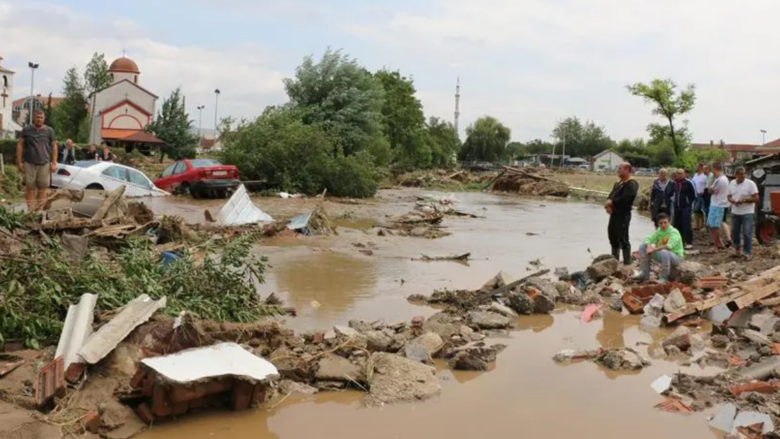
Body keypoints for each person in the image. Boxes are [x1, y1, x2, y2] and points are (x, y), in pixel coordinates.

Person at [16, 110, 57, 211]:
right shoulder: (26, 130)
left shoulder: (49, 130)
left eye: (41, 117)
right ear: (34, 118)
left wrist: (54, 162)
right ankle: (31, 212)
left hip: (44, 164)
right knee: (30, 188)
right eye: (37, 117)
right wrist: (19, 161)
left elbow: (54, 146)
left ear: (44, 119)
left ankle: (39, 212)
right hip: (29, 163)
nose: (39, 119)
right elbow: (20, 145)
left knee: (42, 189)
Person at [632, 213, 684, 284]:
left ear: (669, 222)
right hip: (664, 255)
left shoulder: (674, 232)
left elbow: (669, 246)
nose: (663, 225)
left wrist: (653, 249)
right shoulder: (659, 230)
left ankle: (664, 277)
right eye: (661, 223)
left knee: (664, 251)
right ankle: (644, 274)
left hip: (676, 257)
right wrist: (649, 246)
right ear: (658, 224)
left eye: (665, 222)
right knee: (642, 247)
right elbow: (648, 239)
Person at [605, 162, 639, 265]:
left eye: (620, 168)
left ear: (627, 170)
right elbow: (611, 195)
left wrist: (612, 202)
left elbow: (626, 199)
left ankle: (626, 262)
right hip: (614, 214)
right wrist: (608, 205)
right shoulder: (619, 183)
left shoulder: (631, 183)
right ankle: (614, 261)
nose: (618, 170)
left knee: (623, 238)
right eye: (618, 168)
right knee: (612, 236)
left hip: (623, 214)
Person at [728, 167, 759, 260]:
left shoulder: (750, 183)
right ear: (736, 175)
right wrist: (732, 201)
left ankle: (747, 253)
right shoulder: (732, 183)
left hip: (747, 212)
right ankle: (737, 251)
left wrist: (745, 200)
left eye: (744, 173)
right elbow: (728, 196)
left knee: (747, 233)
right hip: (735, 211)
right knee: (735, 232)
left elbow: (756, 198)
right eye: (741, 174)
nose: (743, 175)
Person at [707, 162, 730, 249]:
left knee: (715, 226)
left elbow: (710, 190)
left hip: (718, 204)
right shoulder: (721, 178)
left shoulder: (720, 179)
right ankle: (717, 242)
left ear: (714, 169)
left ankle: (718, 243)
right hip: (716, 203)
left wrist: (711, 181)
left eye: (712, 169)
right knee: (711, 225)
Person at [672, 168, 696, 249]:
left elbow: (694, 195)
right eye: (678, 173)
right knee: (677, 224)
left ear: (684, 174)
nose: (679, 175)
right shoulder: (674, 182)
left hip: (686, 207)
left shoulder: (688, 183)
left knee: (687, 224)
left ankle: (689, 242)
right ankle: (679, 241)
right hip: (677, 206)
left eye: (681, 173)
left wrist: (689, 203)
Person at [692, 163, 708, 230]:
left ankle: (702, 224)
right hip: (695, 194)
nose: (696, 167)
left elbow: (706, 186)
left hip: (701, 195)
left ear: (701, 168)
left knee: (698, 210)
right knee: (697, 210)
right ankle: (698, 225)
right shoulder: (695, 175)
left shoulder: (705, 176)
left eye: (697, 166)